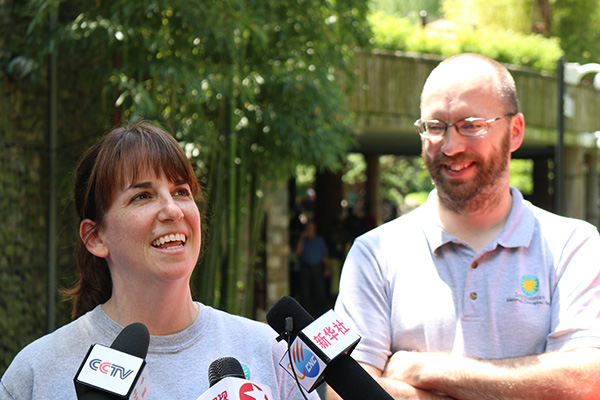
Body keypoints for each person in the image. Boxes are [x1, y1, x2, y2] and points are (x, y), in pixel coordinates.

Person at [327, 53, 600, 399]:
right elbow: (345, 392)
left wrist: (426, 370)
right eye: (436, 127)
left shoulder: (572, 245)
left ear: (514, 132)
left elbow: (585, 383)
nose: (452, 146)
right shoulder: (375, 253)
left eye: (471, 125)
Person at [1, 121, 318, 400]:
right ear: (95, 237)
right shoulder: (37, 373)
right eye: (142, 196)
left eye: (181, 192)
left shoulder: (269, 354)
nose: (173, 211)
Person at [294, 222, 331, 317]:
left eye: (313, 230)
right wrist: (302, 238)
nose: (311, 232)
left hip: (317, 269)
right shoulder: (302, 241)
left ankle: (321, 314)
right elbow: (298, 253)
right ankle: (307, 314)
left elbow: (324, 255)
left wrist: (327, 268)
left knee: (320, 292)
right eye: (309, 230)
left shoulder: (319, 240)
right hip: (305, 269)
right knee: (305, 293)